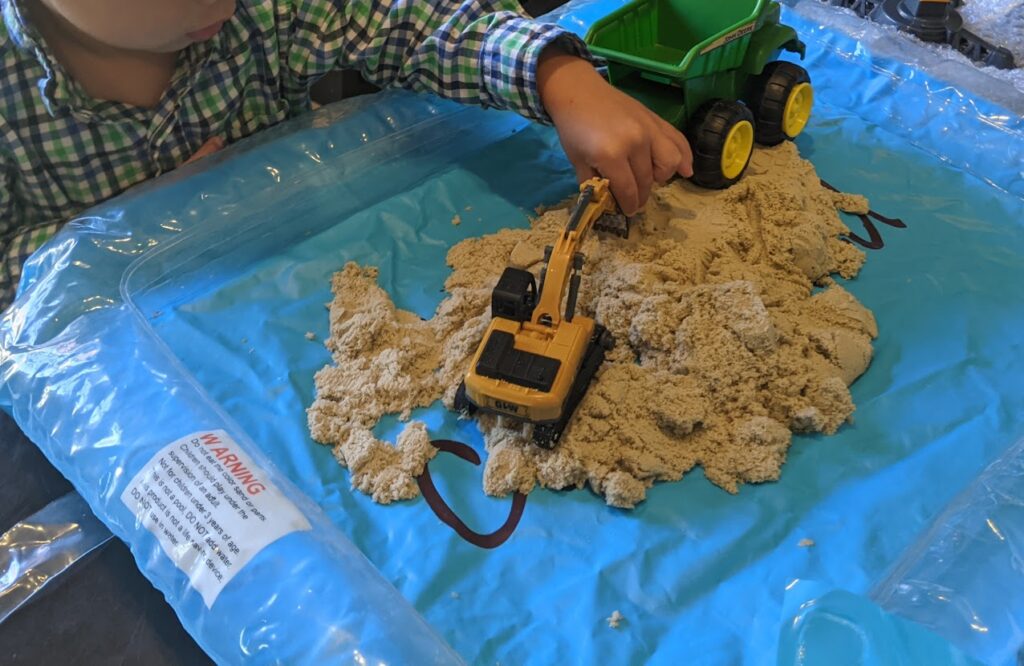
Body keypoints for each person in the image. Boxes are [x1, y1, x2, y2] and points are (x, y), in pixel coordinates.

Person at [0, 0, 693, 309]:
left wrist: (558, 77)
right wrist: (131, 227)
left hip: (288, 293)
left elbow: (410, 25)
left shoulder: (260, 13)